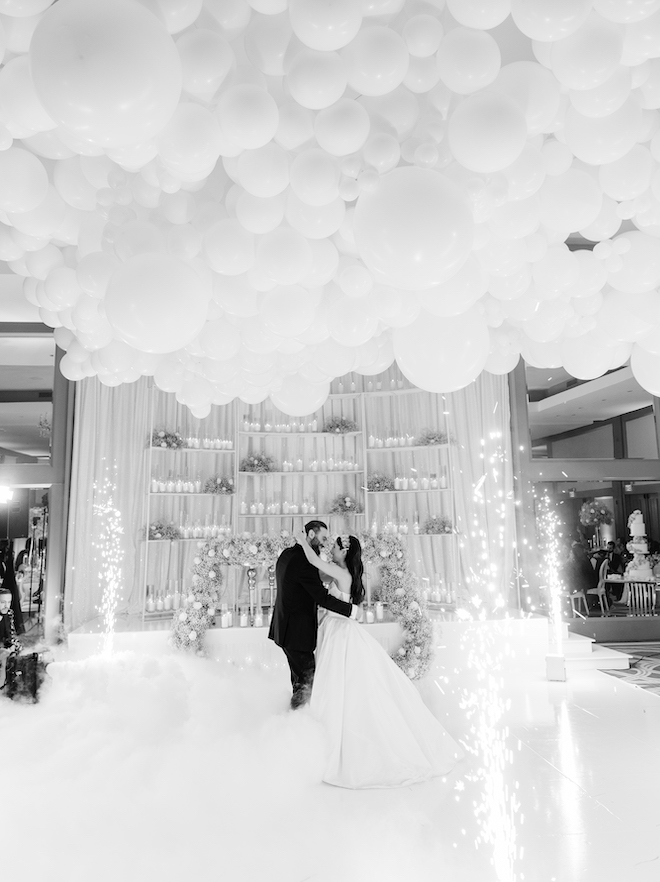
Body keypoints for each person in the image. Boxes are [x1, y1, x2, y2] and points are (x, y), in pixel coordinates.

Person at [295, 531, 463, 789]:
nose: (332, 550)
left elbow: (316, 564)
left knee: (339, 686)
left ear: (344, 552)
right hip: (336, 629)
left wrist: (301, 540)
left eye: (336, 547)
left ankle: (340, 746)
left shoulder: (342, 574)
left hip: (339, 633)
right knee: (338, 686)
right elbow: (319, 574)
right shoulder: (340, 572)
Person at [268, 520, 360, 710]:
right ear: (310, 535)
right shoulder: (304, 562)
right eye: (323, 538)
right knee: (306, 684)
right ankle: (297, 723)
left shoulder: (288, 554)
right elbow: (321, 596)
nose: (326, 543)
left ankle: (296, 721)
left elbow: (319, 575)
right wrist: (351, 610)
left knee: (303, 682)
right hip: (296, 634)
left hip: (287, 629)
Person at [0, 587, 22, 690]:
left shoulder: (9, 613)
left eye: (9, 602)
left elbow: (11, 634)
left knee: (21, 653)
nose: (6, 606)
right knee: (3, 657)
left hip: (4, 647)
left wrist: (14, 646)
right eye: (2, 602)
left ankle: (13, 686)